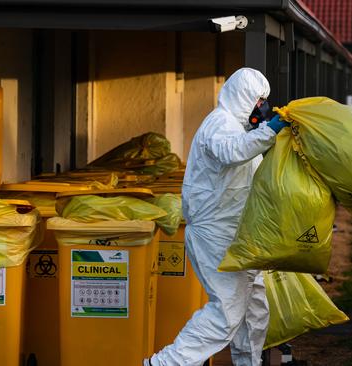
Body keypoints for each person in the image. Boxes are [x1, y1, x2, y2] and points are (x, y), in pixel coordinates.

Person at [147, 68, 289, 366]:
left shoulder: (240, 130)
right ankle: (165, 364)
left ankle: (248, 363)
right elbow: (231, 152)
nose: (260, 108)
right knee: (225, 314)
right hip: (215, 236)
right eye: (258, 100)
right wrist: (269, 130)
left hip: (237, 235)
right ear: (243, 97)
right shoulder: (219, 125)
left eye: (264, 101)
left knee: (254, 310)